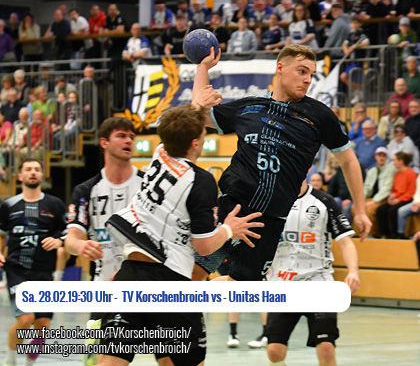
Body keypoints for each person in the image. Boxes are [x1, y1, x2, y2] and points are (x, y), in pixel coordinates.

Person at [98, 104, 263, 366]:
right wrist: (230, 229)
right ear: (196, 143)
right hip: (169, 280)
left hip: (130, 275)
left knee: (112, 361)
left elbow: (178, 125)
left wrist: (200, 92)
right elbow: (205, 246)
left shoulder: (160, 153)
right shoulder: (201, 181)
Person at [191, 44, 371, 282]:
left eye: (311, 74)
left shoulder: (320, 115)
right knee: (194, 272)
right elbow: (200, 114)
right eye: (302, 71)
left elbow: (349, 161)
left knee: (241, 286)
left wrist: (361, 210)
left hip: (269, 222)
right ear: (280, 68)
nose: (307, 80)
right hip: (231, 208)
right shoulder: (250, 106)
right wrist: (203, 68)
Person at [266, 178, 360, 366]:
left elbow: (346, 242)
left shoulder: (324, 201)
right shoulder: (270, 201)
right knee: (274, 351)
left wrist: (353, 271)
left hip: (319, 282)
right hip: (283, 284)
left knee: (326, 347)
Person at [0, 158, 67, 366]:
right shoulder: (9, 205)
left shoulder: (55, 205)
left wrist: (58, 241)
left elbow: (68, 232)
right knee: (26, 319)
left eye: (37, 169)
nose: (33, 172)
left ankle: (29, 363)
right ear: (20, 176)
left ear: (42, 175)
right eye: (28, 169)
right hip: (17, 269)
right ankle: (10, 360)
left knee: (43, 326)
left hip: (44, 271)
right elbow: (2, 234)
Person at [65, 118, 144, 283]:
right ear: (104, 143)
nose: (128, 141)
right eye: (121, 136)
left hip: (143, 285)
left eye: (131, 137)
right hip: (103, 285)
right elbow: (70, 241)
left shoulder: (148, 185)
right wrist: (80, 245)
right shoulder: (86, 190)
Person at [354, 147, 396, 238]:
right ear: (375, 157)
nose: (381, 158)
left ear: (386, 158)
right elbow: (366, 187)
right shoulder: (372, 171)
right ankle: (358, 234)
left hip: (383, 198)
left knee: (370, 209)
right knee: (355, 208)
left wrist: (374, 201)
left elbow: (386, 189)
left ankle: (372, 234)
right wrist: (360, 200)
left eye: (384, 156)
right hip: (370, 198)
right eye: (379, 155)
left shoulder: (391, 170)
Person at [376, 151, 417, 238]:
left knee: (392, 211)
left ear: (401, 161)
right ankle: (385, 234)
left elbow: (411, 192)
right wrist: (391, 197)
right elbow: (394, 190)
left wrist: (398, 200)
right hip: (397, 198)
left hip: (407, 199)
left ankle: (395, 235)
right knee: (380, 210)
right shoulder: (397, 174)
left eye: (394, 160)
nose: (393, 162)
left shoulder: (411, 173)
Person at [397, 172, 420, 238]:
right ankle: (401, 235)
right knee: (401, 211)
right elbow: (417, 192)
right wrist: (416, 202)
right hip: (416, 202)